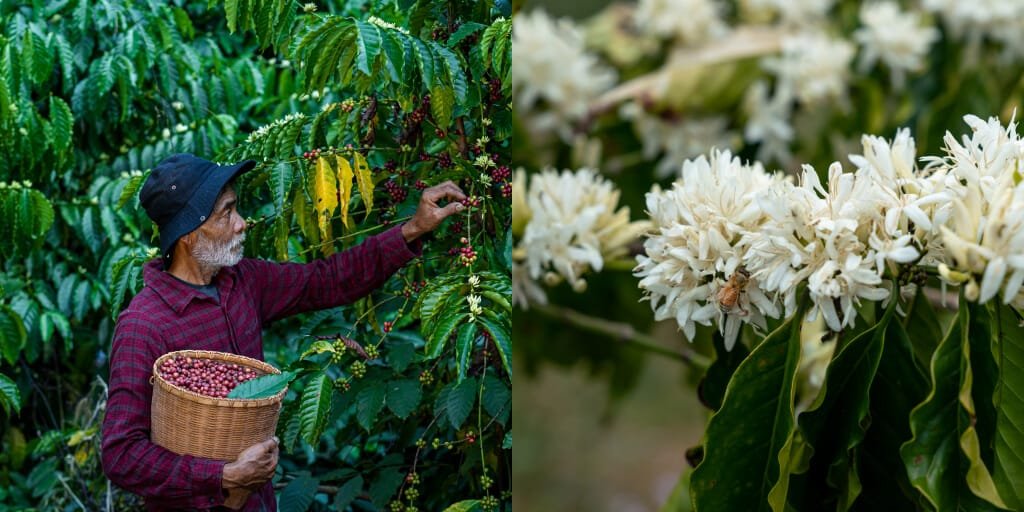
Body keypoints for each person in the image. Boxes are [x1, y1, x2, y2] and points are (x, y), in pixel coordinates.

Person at [100, 153, 465, 511]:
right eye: (227, 213)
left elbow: (326, 281)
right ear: (189, 235)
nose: (242, 223)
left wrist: (414, 228)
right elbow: (121, 455)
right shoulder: (144, 324)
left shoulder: (241, 282)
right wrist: (222, 476)